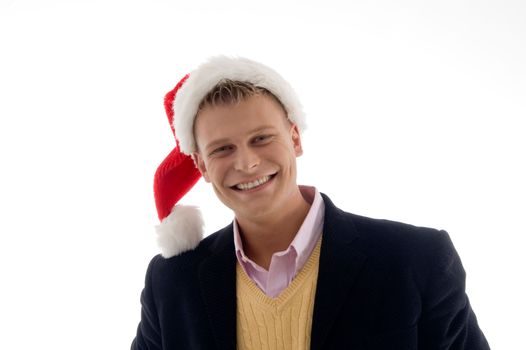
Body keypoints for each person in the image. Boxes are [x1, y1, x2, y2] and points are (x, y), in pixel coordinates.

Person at [131, 56, 490, 349]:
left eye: (261, 138)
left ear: (295, 138)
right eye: (223, 148)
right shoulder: (171, 283)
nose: (246, 163)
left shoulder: (416, 260)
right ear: (201, 166)